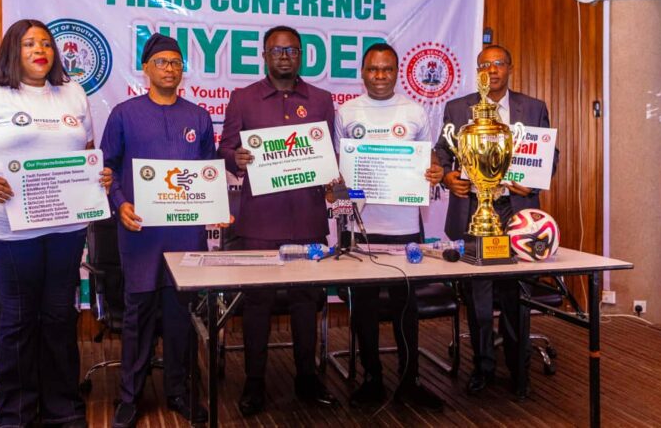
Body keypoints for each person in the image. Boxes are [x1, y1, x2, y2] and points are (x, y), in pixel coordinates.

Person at [0, 19, 110, 428]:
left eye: (46, 43)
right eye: (29, 43)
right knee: (19, 316)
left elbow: (85, 150)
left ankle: (63, 409)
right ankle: (15, 412)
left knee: (60, 315)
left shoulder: (73, 93)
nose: (40, 50)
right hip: (9, 229)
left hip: (66, 227)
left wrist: (97, 174)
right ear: (12, 50)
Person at [217, 25, 337, 416]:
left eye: (292, 50)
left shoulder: (321, 99)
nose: (285, 56)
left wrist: (332, 175)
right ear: (265, 55)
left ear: (301, 55)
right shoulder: (243, 98)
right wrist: (235, 157)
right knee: (257, 304)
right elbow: (225, 149)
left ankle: (307, 377)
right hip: (259, 222)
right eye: (277, 50)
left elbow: (331, 154)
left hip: (307, 217)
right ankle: (254, 382)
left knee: (306, 301)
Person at [434, 44, 558, 398]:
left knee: (516, 293)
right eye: (484, 65)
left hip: (515, 212)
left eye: (498, 63)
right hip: (474, 211)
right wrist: (448, 178)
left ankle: (519, 370)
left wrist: (533, 182)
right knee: (479, 295)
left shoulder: (533, 108)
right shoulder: (458, 108)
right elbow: (442, 153)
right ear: (478, 72)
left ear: (510, 68)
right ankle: (483, 367)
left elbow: (550, 157)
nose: (492, 70)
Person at [100, 34, 210, 427]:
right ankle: (130, 396)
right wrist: (119, 203)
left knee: (181, 316)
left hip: (186, 235)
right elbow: (107, 169)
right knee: (138, 316)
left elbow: (208, 171)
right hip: (141, 233)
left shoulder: (198, 117)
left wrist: (214, 205)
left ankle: (178, 391)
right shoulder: (124, 114)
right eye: (161, 61)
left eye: (176, 62)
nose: (170, 68)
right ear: (145, 68)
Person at [333, 43, 444, 411]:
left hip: (405, 227)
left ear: (397, 73)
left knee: (405, 309)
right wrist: (337, 192)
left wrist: (434, 172)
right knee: (363, 309)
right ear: (362, 73)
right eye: (373, 69)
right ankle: (372, 379)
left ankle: (410, 381)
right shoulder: (347, 111)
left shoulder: (414, 111)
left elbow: (429, 160)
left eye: (387, 69)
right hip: (362, 227)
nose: (379, 76)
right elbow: (339, 169)